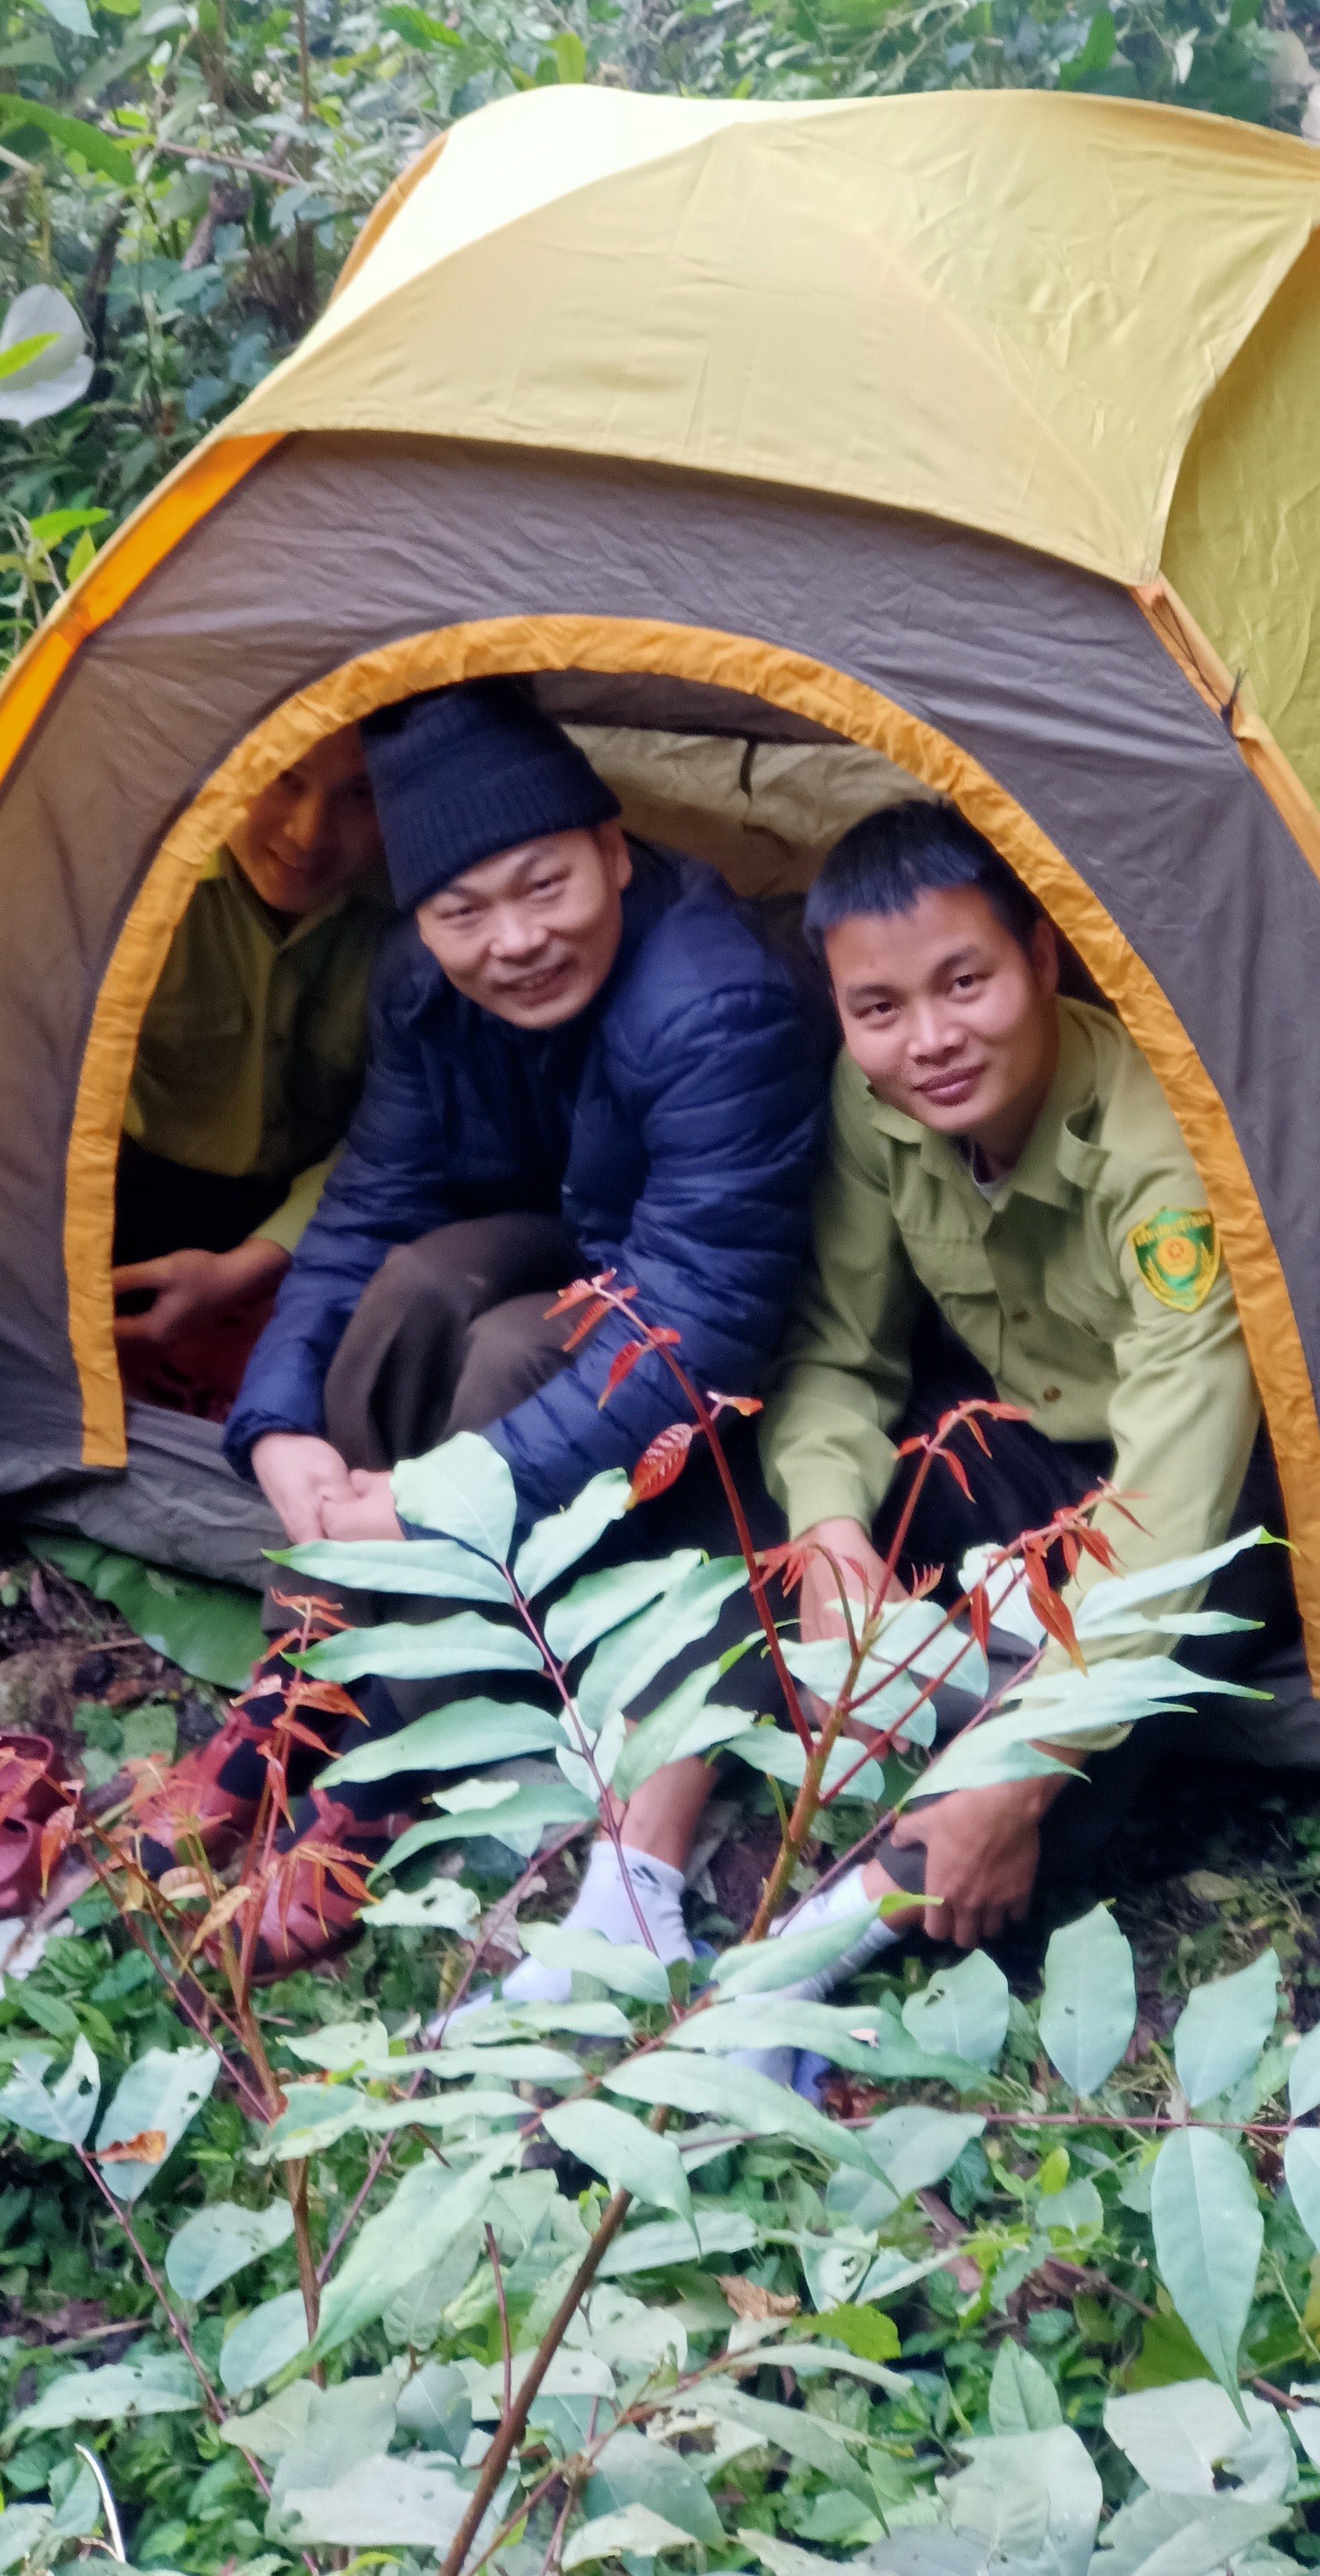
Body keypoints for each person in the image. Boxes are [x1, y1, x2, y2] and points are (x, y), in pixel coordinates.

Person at [488, 796, 1296, 2045]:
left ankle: (795, 1971)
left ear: (1041, 957)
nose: (929, 1041)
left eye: (963, 982)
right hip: (1012, 1432)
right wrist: (831, 1536)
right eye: (878, 1009)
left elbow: (1176, 1510)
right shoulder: (876, 1108)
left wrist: (1026, 1774)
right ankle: (630, 1892)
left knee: (1129, 1672)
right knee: (754, 1470)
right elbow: (835, 1351)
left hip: (1187, 1474)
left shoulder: (1156, 1158)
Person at [154, 677, 832, 1965]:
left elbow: (706, 1323)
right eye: (463, 910)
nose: (511, 940)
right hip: (588, 1235)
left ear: (614, 855)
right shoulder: (424, 982)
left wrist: (442, 1494)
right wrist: (280, 1419)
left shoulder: (714, 1002)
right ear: (421, 918)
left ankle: (400, 1745)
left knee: (518, 1349)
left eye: (544, 887)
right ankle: (307, 1672)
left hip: (734, 1345)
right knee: (419, 1282)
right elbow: (368, 1204)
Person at [111, 724, 389, 1412]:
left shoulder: (423, 918)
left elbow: (393, 1138)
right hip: (125, 1189)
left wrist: (248, 1267)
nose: (308, 833)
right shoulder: (132, 886)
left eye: (359, 794)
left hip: (321, 1216)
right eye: (283, 776)